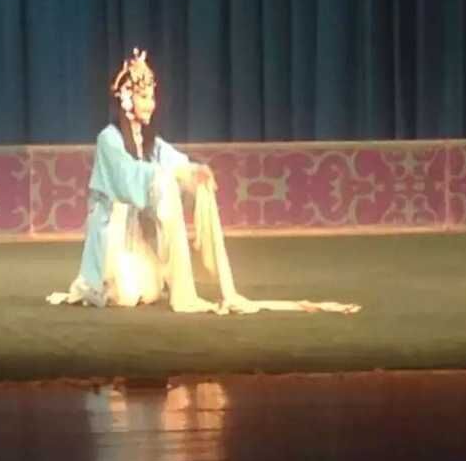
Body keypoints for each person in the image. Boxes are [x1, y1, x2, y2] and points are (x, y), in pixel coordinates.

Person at [46, 48, 359, 315]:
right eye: (143, 97)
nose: (151, 103)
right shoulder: (109, 139)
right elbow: (127, 177)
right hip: (113, 235)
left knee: (149, 291)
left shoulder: (150, 142)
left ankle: (167, 281)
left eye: (152, 96)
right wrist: (166, 175)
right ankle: (101, 280)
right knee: (126, 296)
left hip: (137, 237)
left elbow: (173, 160)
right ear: (127, 99)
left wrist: (193, 171)